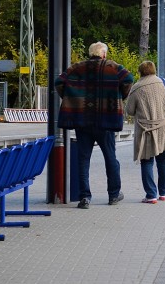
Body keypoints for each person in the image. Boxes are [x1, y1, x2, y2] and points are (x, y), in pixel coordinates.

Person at [56, 41, 134, 209]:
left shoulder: (77, 67)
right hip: (106, 120)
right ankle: (114, 195)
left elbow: (59, 82)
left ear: (90, 53)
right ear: (104, 54)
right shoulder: (113, 67)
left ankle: (84, 197)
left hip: (82, 121)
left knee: (83, 159)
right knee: (110, 158)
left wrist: (72, 99)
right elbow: (129, 79)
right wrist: (119, 95)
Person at [125, 61, 165, 204]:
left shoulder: (136, 87)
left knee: (146, 161)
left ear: (140, 72)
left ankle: (151, 195)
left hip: (146, 130)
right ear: (153, 70)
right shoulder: (164, 83)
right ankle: (163, 192)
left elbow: (130, 111)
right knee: (163, 160)